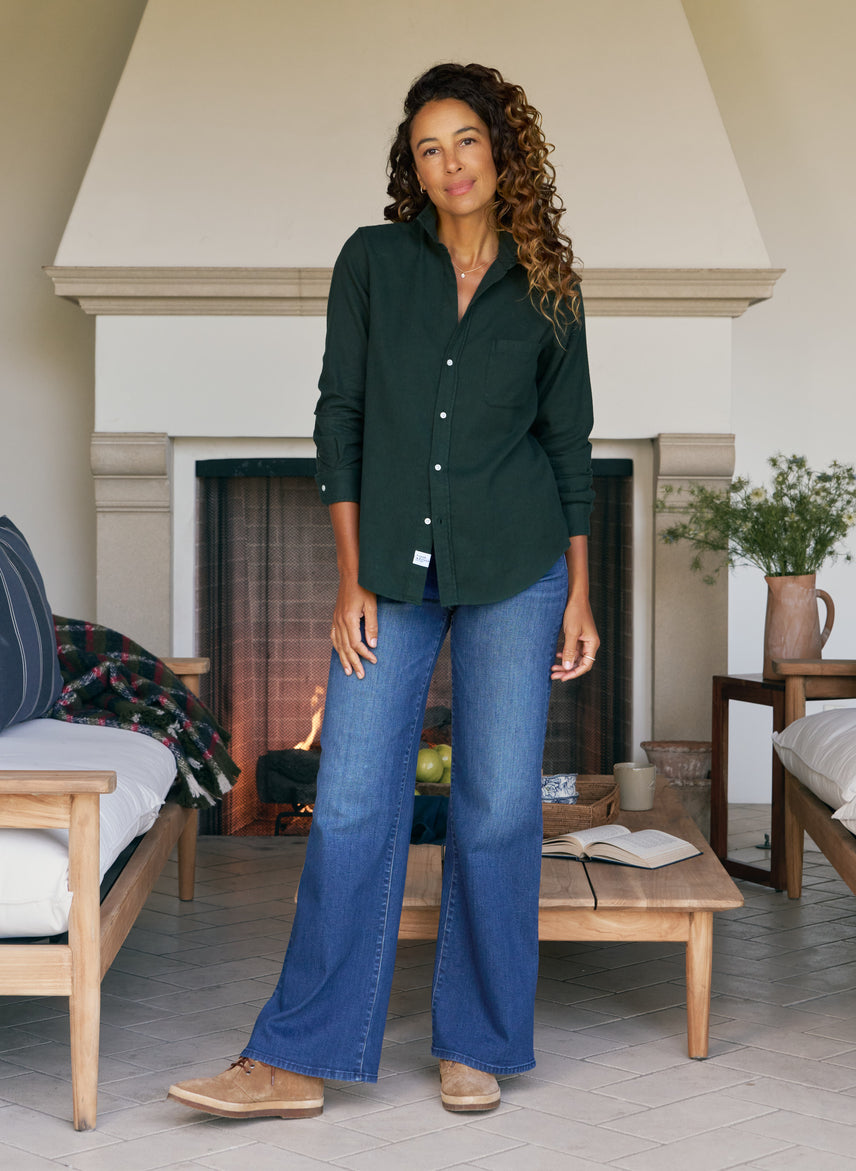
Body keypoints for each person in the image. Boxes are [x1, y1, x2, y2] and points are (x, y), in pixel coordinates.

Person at [168, 61, 598, 1120]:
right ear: (412, 168)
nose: (449, 163)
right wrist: (351, 575)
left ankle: (478, 1042)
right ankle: (295, 1058)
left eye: (465, 141)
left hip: (519, 566)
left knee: (497, 811)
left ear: (503, 152)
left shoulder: (547, 285)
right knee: (354, 799)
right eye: (427, 149)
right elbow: (340, 419)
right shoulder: (372, 263)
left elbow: (570, 446)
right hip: (391, 576)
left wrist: (580, 591)